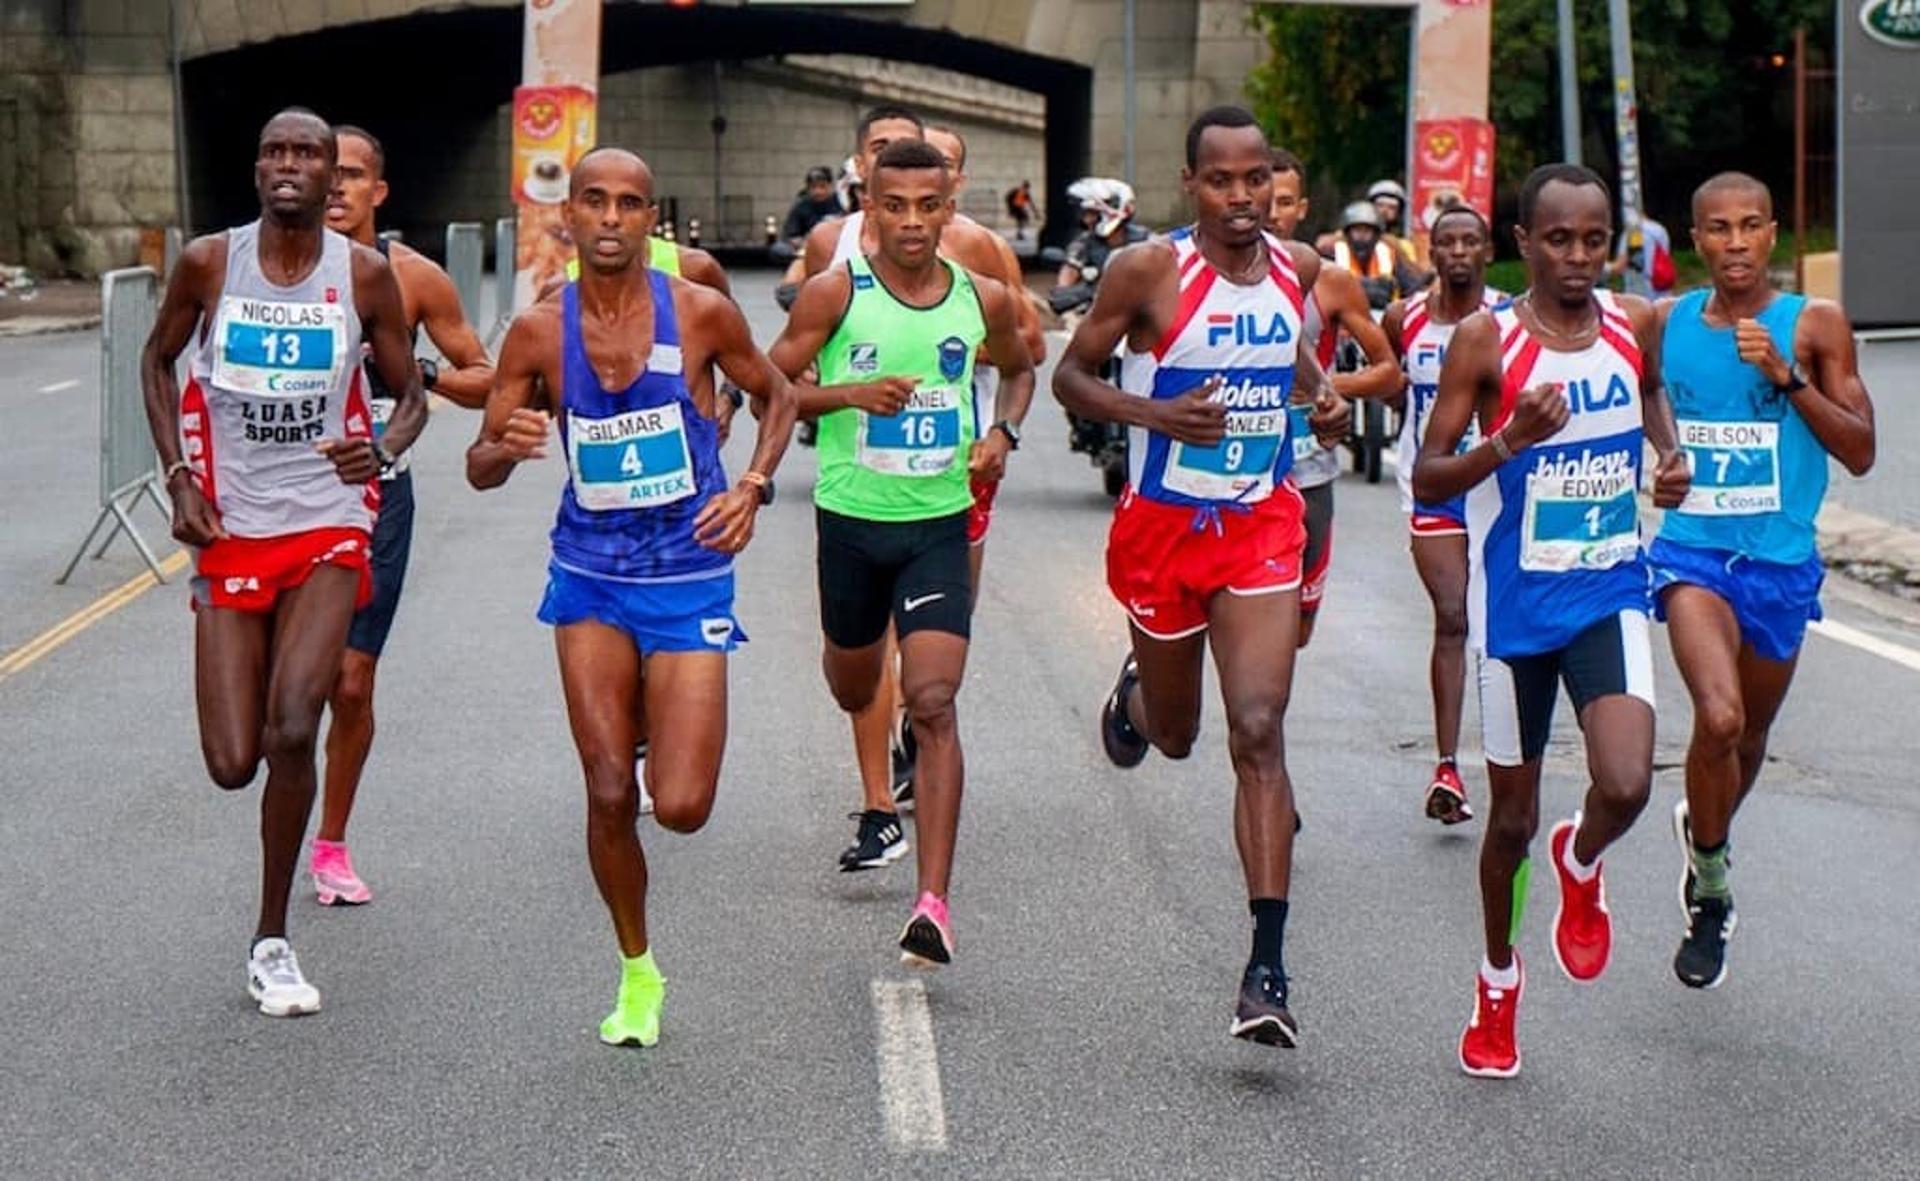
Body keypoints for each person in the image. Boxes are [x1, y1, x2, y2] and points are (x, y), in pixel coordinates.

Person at [467, 147, 796, 1046]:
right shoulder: (539, 332)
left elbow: (780, 396)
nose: (611, 219)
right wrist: (508, 444)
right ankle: (636, 969)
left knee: (682, 805)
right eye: (594, 202)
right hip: (589, 576)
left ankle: (657, 711)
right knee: (610, 786)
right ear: (566, 216)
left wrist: (754, 486)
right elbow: (480, 466)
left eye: (630, 205)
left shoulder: (700, 313)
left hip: (689, 572)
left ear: (653, 221)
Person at [1054, 107, 1349, 1047]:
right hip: (1163, 535)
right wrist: (1157, 413)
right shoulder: (1148, 271)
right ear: (1192, 185)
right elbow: (1071, 376)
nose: (1242, 197)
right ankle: (1138, 698)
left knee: (1258, 727)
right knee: (1179, 736)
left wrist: (1325, 400)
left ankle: (1266, 968)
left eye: (1256, 179)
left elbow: (1293, 359)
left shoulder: (1297, 269)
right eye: (1222, 181)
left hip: (1262, 524)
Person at [139, 108, 428, 1016]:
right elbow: (155, 362)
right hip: (233, 524)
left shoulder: (366, 275)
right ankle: (259, 674)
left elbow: (411, 394)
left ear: (335, 174)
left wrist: (379, 451)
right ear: (257, 169)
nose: (291, 166)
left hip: (328, 522)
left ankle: (271, 940)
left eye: (309, 154)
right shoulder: (209, 265)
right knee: (234, 759)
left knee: (295, 726)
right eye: (274, 151)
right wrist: (179, 474)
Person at [1413, 163, 1690, 1079]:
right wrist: (1510, 441)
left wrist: (1671, 452)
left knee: (1628, 782)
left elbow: (1650, 389)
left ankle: (1584, 856)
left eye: (1594, 239)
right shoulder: (1486, 344)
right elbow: (1429, 475)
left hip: (1609, 589)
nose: (1578, 257)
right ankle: (1497, 978)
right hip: (1514, 612)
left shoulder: (1632, 320)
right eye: (1559, 239)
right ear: (1523, 244)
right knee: (1509, 823)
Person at [771, 137, 1035, 965]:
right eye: (896, 206)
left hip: (937, 526)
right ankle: (851, 674)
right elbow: (767, 384)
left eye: (929, 206)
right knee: (855, 680)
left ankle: (933, 903)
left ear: (951, 206)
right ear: (869, 208)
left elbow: (1022, 369)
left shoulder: (981, 296)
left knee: (933, 701)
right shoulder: (832, 292)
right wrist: (846, 394)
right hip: (850, 523)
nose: (913, 223)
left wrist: (1001, 430)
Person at [1648, 172, 1875, 989]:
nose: (1735, 243)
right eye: (1718, 229)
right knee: (1718, 714)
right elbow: (1647, 396)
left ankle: (1703, 830)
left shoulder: (1812, 324)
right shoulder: (1667, 323)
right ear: (1695, 238)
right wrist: (1664, 460)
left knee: (1746, 739)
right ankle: (1712, 891)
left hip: (1780, 564)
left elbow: (1860, 448)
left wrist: (1786, 375)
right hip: (1693, 555)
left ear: (1772, 233)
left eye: (1749, 227)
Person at [805, 106, 1043, 840]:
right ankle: (879, 799)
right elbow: (797, 351)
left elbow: (1023, 344)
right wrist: (840, 390)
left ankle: (920, 730)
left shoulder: (978, 251)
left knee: (931, 655)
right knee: (864, 650)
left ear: (950, 188)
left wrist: (998, 425)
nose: (909, 203)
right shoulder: (828, 246)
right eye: (880, 155)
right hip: (859, 486)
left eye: (927, 184)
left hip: (952, 476)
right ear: (862, 174)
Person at [308, 124, 495, 905]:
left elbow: (482, 374)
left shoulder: (412, 277)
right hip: (278, 493)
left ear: (378, 191)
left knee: (350, 682)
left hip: (379, 495)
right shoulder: (264, 269)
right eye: (327, 173)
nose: (337, 187)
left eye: (353, 175)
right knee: (281, 693)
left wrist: (417, 371)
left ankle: (330, 843)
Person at [1381, 204, 1504, 825]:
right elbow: (1388, 384)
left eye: (1470, 242)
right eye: (1446, 243)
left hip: (1494, 484)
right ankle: (1449, 765)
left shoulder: (1509, 319)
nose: (1458, 252)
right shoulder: (1404, 318)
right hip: (1429, 486)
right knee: (1453, 615)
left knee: (1500, 623)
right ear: (1431, 254)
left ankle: (1511, 754)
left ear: (1487, 250)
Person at [1266, 149, 1401, 647]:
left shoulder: (1331, 281)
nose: (1270, 212)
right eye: (1264, 197)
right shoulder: (1213, 278)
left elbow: (1388, 372)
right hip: (1237, 476)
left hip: (1309, 471)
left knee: (1298, 630)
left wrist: (1324, 386)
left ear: (1301, 209)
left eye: (1283, 201)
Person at [1056, 178, 1150, 290]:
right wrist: (1064, 292)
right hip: (1099, 305)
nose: (1087, 220)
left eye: (1092, 213)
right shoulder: (1083, 244)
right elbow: (1069, 272)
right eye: (1085, 214)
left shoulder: (1146, 242)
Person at [1328, 202, 1427, 304]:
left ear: (1376, 235)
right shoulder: (1332, 255)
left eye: (1367, 232)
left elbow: (1411, 288)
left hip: (1382, 315)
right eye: (1357, 231)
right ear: (1347, 234)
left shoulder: (1388, 254)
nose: (1362, 237)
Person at [1610, 211, 1675, 299]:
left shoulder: (1632, 232)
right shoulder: (1660, 229)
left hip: (1639, 293)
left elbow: (1620, 267)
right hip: (1662, 290)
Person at [782, 165, 845, 247]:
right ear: (808, 188)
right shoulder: (801, 206)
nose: (818, 191)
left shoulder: (843, 203)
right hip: (809, 251)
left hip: (839, 249)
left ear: (831, 186)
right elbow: (792, 237)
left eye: (822, 186)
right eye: (813, 187)